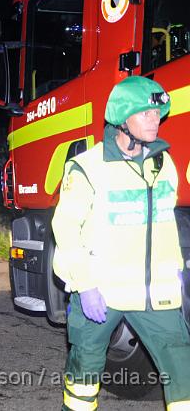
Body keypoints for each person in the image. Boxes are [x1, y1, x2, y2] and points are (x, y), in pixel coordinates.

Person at [52, 76, 190, 410]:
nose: (155, 120)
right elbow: (66, 227)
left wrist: (176, 272)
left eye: (158, 113)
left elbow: (165, 221)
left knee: (184, 378)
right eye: (145, 113)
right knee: (83, 380)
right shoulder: (87, 167)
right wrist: (85, 286)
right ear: (122, 118)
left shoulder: (164, 163)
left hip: (155, 294)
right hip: (101, 292)